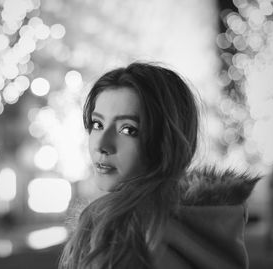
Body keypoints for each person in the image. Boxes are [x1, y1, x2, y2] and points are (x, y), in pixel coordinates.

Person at [59, 62, 259, 269]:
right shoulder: (213, 222)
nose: (101, 145)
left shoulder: (116, 228)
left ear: (165, 140)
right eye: (97, 124)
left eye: (128, 130)